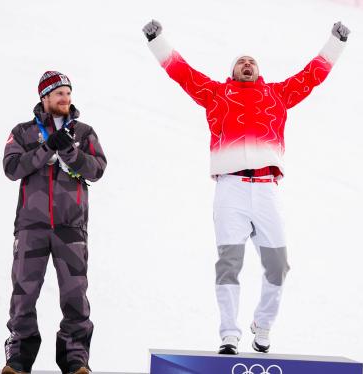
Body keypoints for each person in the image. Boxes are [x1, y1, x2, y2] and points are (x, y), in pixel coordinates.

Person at [142, 19, 349, 354]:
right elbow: (182, 73)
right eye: (241, 61)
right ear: (233, 72)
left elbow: (312, 76)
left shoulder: (277, 94)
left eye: (252, 61)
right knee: (229, 263)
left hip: (266, 189)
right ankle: (229, 333)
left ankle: (263, 325)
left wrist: (335, 43)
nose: (247, 63)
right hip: (231, 190)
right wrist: (156, 40)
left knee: (278, 265)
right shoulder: (216, 94)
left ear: (259, 71)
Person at [1, 71, 107, 374]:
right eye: (59, 93)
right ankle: (18, 359)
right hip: (31, 226)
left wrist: (69, 151)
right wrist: (47, 148)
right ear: (44, 97)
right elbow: (11, 168)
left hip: (70, 227)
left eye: (68, 93)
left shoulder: (84, 132)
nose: (66, 98)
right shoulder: (22, 132)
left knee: (75, 295)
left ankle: (75, 360)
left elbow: (97, 169)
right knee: (23, 294)